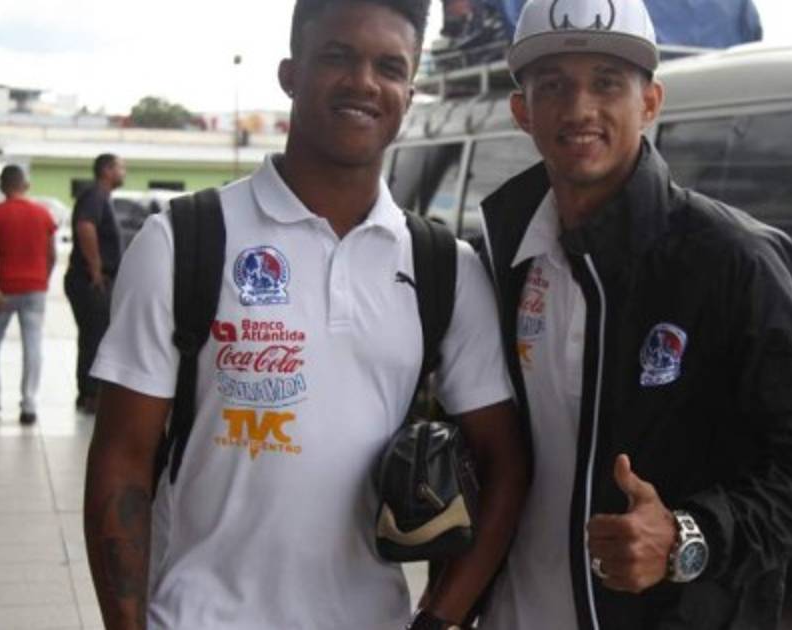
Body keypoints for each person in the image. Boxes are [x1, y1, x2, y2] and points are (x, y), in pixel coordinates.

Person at [83, 1, 527, 629]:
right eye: (338, 57)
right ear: (290, 74)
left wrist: (439, 618)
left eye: (389, 67)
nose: (363, 82)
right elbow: (122, 458)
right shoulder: (182, 242)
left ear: (409, 93)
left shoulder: (445, 269)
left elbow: (505, 463)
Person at [475, 1, 792, 628]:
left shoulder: (734, 259)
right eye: (553, 86)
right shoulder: (500, 258)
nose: (579, 109)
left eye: (606, 83)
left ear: (650, 102)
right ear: (523, 111)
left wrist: (688, 536)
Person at [0, 165, 57, 425]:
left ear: (1, 186)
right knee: (33, 344)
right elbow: (52, 254)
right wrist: (43, 279)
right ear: (26, 185)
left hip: (4, 288)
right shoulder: (44, 214)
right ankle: (29, 403)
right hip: (35, 288)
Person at [65, 153, 125, 413]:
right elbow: (85, 226)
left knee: (94, 336)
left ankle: (89, 393)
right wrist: (96, 271)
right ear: (107, 170)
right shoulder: (95, 196)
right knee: (95, 337)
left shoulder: (101, 197)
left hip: (91, 279)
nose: (124, 173)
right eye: (121, 168)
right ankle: (90, 394)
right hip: (90, 281)